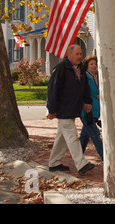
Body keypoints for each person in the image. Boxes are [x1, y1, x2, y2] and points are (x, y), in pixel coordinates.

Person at [46, 45, 95, 175]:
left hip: (73, 109)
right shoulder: (61, 69)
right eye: (77, 54)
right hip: (63, 110)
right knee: (72, 136)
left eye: (81, 54)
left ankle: (54, 163)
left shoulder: (81, 70)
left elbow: (84, 88)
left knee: (62, 138)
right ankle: (81, 164)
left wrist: (87, 102)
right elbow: (52, 90)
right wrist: (51, 110)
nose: (80, 56)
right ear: (69, 55)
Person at [79, 55, 104, 161]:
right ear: (87, 66)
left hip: (95, 111)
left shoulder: (99, 77)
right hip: (86, 111)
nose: (94, 66)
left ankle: (78, 158)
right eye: (91, 64)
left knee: (84, 136)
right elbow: (80, 93)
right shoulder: (84, 77)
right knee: (95, 134)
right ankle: (106, 158)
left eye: (95, 64)